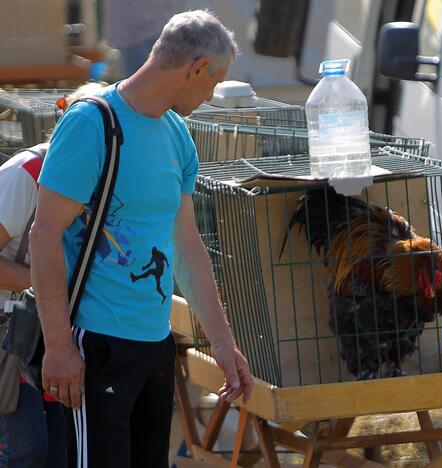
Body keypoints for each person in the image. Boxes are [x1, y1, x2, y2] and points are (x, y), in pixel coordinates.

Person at [30, 10, 253, 468]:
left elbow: (189, 248)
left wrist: (224, 346)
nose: (211, 95)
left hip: (155, 346)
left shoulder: (177, 135)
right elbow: (44, 235)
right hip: (95, 346)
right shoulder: (92, 124)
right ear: (196, 68)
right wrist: (58, 345)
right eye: (214, 83)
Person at [0, 82, 105, 468]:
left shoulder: (103, 180)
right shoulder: (26, 174)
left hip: (53, 332)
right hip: (9, 333)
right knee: (28, 450)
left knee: (60, 451)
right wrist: (45, 285)